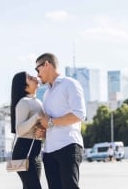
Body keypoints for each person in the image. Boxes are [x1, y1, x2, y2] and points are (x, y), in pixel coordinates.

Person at [35, 53, 86, 189]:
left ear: (47, 64)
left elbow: (79, 114)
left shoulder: (70, 84)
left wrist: (50, 122)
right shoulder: (46, 93)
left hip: (68, 146)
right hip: (49, 151)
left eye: (37, 69)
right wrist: (44, 130)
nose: (38, 75)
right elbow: (49, 121)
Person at [10, 71, 45, 189]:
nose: (35, 77)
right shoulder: (23, 102)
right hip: (24, 150)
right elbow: (19, 130)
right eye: (30, 78)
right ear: (24, 86)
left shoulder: (38, 102)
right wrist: (36, 117)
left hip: (35, 150)